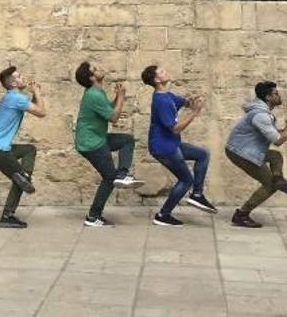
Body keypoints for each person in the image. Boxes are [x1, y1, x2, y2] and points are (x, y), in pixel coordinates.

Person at [140, 65, 217, 228]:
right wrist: (195, 112)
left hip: (171, 144)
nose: (165, 71)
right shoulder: (161, 101)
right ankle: (163, 215)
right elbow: (175, 128)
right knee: (185, 179)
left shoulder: (167, 96)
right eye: (161, 71)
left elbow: (184, 102)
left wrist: (192, 101)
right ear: (156, 79)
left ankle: (197, 194)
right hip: (163, 148)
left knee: (202, 154)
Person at [73, 61, 144, 227]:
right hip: (91, 143)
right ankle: (93, 216)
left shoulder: (97, 92)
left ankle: (123, 174)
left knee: (126, 140)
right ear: (92, 77)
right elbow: (113, 117)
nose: (100, 67)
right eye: (95, 69)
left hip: (98, 138)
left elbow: (106, 110)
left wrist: (116, 98)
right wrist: (121, 97)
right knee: (109, 177)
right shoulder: (94, 94)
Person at [225, 81, 287, 228]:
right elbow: (278, 141)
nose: (279, 95)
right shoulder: (261, 115)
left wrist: (286, 128)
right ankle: (241, 214)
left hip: (245, 148)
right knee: (269, 185)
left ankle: (278, 178)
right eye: (276, 93)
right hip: (240, 152)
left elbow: (273, 136)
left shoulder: (263, 113)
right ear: (268, 97)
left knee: (275, 156)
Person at [0, 66, 47, 229]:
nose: (23, 78)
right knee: (20, 181)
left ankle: (23, 177)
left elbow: (30, 107)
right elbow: (41, 112)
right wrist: (37, 91)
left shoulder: (12, 97)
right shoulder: (15, 98)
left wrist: (33, 94)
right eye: (19, 77)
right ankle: (8, 214)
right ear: (13, 84)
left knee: (29, 150)